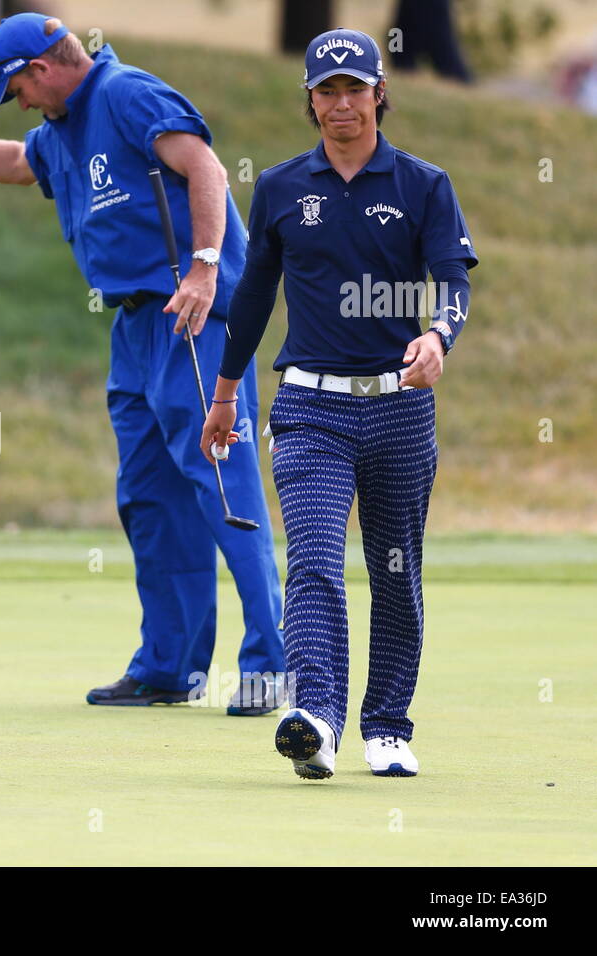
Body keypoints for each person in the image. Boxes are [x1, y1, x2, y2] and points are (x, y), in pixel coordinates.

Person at [0, 13, 286, 715]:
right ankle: (169, 668)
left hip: (188, 316)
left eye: (18, 91)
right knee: (150, 500)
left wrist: (203, 268)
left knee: (223, 488)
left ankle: (272, 667)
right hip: (134, 329)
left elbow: (206, 168)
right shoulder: (60, 128)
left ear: (42, 68)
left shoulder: (127, 94)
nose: (21, 105)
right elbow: (16, 161)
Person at [200, 28, 477, 778]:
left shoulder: (424, 185)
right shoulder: (282, 187)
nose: (342, 103)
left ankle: (385, 727)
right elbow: (253, 297)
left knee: (395, 573)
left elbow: (453, 277)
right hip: (309, 407)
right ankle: (317, 719)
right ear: (310, 100)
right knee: (316, 561)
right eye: (328, 91)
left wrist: (439, 337)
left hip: (399, 407)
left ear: (380, 94)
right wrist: (226, 392)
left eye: (356, 88)